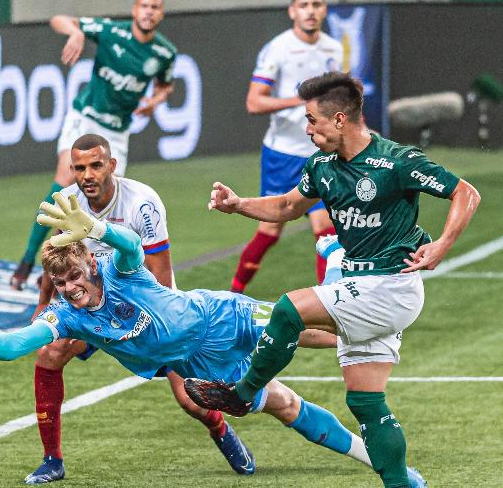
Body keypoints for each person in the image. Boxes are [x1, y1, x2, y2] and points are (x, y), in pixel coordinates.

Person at [0, 192, 392, 481]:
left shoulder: (116, 268)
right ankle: (370, 455)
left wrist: (99, 227)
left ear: (87, 262)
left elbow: (128, 243)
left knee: (313, 330)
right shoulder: (69, 316)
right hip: (195, 366)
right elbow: (22, 343)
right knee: (284, 406)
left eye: (75, 277)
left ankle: (351, 294)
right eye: (61, 284)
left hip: (218, 318)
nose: (71, 289)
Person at [188, 72, 480, 488]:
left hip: (390, 285)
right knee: (364, 401)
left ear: (340, 119)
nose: (307, 130)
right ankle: (404, 484)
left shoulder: (396, 160)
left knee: (289, 309)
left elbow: (465, 192)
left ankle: (241, 393)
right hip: (364, 285)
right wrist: (238, 205)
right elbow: (289, 205)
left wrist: (442, 245)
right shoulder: (322, 167)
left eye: (312, 120)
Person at [24, 134, 253, 484]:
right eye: (80, 167)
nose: (87, 174)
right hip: (91, 306)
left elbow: (159, 279)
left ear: (112, 165)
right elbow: (55, 259)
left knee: (191, 401)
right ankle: (51, 460)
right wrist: (44, 304)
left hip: (152, 315)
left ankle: (219, 428)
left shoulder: (141, 203)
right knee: (50, 353)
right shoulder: (69, 202)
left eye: (96, 165)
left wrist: (124, 324)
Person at [9, 0, 177, 290]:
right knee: (65, 181)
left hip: (117, 131)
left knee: (106, 201)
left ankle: (83, 269)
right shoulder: (112, 31)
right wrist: (75, 33)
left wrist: (156, 100)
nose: (149, 11)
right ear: (135, 9)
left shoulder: (164, 52)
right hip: (86, 116)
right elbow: (59, 19)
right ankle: (27, 259)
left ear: (161, 13)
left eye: (155, 7)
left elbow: (165, 85)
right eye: (144, 6)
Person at [230, 0, 343, 294]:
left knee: (325, 229)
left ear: (324, 10)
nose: (310, 11)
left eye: (316, 5)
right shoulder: (278, 48)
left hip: (319, 153)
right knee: (269, 230)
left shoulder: (334, 49)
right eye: (304, 5)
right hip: (282, 154)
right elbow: (254, 102)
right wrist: (299, 101)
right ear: (292, 11)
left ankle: (329, 300)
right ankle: (233, 293)